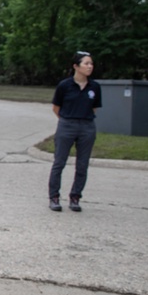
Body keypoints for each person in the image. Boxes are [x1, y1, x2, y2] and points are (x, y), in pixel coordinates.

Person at [48, 51, 101, 212]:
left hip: (87, 126)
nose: (90, 66)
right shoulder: (65, 85)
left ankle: (75, 197)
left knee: (82, 165)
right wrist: (67, 121)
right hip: (67, 125)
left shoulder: (94, 87)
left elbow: (94, 109)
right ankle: (54, 197)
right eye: (86, 63)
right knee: (59, 162)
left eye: (91, 64)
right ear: (76, 66)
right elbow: (56, 108)